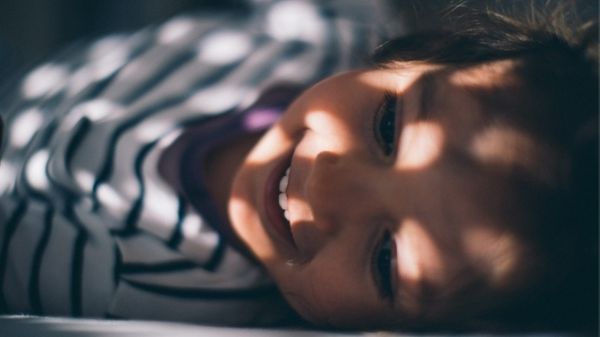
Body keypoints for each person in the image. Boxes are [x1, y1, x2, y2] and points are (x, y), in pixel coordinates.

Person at [0, 0, 597, 332]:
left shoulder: (120, 290)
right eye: (389, 126)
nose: (328, 186)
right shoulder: (326, 36)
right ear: (411, 56)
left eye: (387, 258)